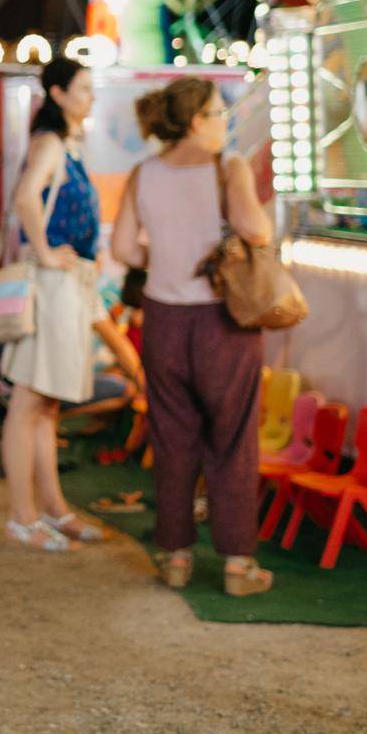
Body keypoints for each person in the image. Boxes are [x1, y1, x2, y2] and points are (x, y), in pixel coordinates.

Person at [111, 77, 274, 597]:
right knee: (232, 437)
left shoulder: (144, 172)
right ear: (196, 120)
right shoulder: (227, 167)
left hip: (163, 318)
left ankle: (175, 555)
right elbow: (256, 230)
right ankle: (237, 563)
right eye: (218, 114)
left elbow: (124, 249)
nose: (224, 123)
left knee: (173, 437)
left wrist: (166, 258)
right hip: (222, 321)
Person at [0, 57, 106, 552]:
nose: (91, 97)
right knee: (29, 403)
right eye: (83, 88)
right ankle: (23, 515)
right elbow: (25, 197)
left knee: (45, 404)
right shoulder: (51, 143)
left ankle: (54, 508)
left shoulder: (65, 144)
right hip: (52, 285)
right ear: (58, 94)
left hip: (67, 283)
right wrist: (44, 252)